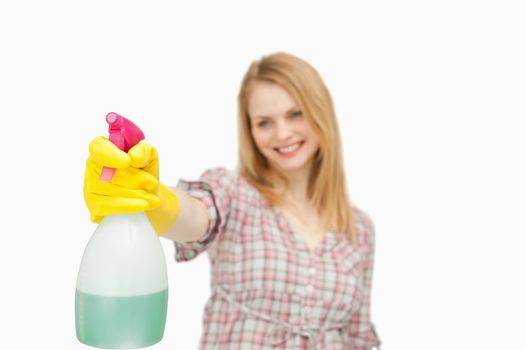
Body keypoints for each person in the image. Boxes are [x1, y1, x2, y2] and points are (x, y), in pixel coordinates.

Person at [84, 52, 381, 349]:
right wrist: (152, 198)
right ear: (250, 131)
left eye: (296, 114)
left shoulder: (359, 229)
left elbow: (359, 338)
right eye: (264, 122)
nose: (283, 133)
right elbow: (196, 216)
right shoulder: (233, 194)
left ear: (321, 112)